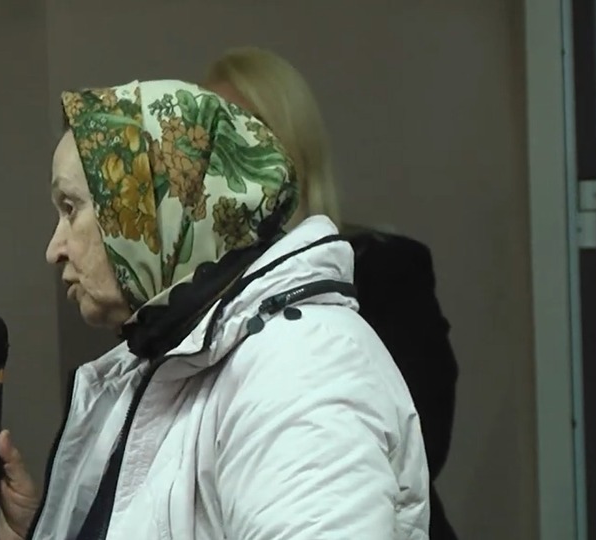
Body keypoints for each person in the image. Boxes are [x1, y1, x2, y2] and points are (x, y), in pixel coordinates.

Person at [0, 79, 429, 539]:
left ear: (152, 206)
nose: (55, 249)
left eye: (71, 208)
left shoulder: (302, 367)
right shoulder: (166, 362)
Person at [203, 45, 460, 540]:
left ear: (292, 147)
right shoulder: (192, 294)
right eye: (209, 137)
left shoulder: (385, 270)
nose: (222, 158)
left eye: (245, 131)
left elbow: (423, 437)